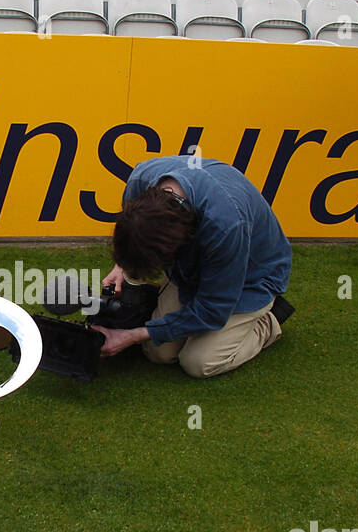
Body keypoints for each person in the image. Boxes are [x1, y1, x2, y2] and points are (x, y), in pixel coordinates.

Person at [93, 154, 292, 379]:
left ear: (177, 246)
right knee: (158, 353)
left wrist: (131, 336)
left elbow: (212, 309)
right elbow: (133, 232)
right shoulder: (141, 181)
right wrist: (121, 266)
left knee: (198, 362)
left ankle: (268, 322)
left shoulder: (226, 224)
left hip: (250, 276)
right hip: (194, 268)